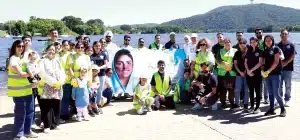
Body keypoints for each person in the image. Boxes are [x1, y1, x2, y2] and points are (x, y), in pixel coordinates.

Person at [8, 40, 38, 140]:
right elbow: (21, 74)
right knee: (20, 114)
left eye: (22, 46)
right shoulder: (13, 58)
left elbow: (31, 66)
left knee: (30, 112)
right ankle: (18, 135)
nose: (21, 48)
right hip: (18, 92)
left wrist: (34, 74)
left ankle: (27, 131)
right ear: (14, 47)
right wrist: (32, 74)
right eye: (18, 46)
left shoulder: (23, 58)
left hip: (28, 89)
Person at [38, 44, 65, 133]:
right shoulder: (42, 61)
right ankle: (46, 126)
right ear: (46, 51)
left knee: (56, 105)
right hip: (47, 86)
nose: (51, 51)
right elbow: (42, 73)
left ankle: (54, 124)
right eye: (50, 49)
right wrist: (52, 82)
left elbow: (62, 72)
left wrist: (60, 81)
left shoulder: (58, 61)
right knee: (46, 107)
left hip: (57, 86)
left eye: (53, 50)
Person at [66, 42, 92, 117]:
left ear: (84, 48)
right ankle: (76, 112)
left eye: (82, 47)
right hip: (76, 78)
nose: (80, 49)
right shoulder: (72, 56)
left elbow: (89, 69)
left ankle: (85, 111)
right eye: (78, 47)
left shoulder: (86, 57)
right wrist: (74, 78)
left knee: (85, 95)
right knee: (75, 96)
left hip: (85, 78)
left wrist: (90, 80)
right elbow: (70, 68)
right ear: (75, 48)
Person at [262, 35, 286, 117]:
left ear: (272, 41)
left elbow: (276, 62)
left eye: (269, 40)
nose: (268, 42)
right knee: (270, 93)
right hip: (267, 75)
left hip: (275, 74)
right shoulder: (265, 51)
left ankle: (283, 109)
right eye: (266, 40)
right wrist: (263, 71)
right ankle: (271, 109)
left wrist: (268, 71)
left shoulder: (276, 49)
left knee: (276, 93)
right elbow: (263, 63)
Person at [277, 29, 296, 107]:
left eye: (285, 34)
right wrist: (281, 64)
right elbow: (276, 57)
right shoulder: (277, 45)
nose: (284, 35)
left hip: (288, 69)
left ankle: (287, 99)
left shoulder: (291, 45)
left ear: (288, 35)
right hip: (279, 69)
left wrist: (286, 62)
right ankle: (280, 99)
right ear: (280, 35)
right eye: (282, 34)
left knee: (288, 85)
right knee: (279, 85)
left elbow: (293, 56)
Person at [245, 37, 263, 114]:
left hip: (257, 74)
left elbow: (260, 63)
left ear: (257, 42)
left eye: (254, 42)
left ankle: (257, 107)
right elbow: (245, 62)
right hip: (249, 74)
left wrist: (251, 70)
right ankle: (252, 106)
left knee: (257, 91)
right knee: (251, 91)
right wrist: (248, 71)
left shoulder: (260, 51)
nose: (252, 43)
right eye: (251, 42)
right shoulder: (248, 51)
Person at [217, 38, 237, 109]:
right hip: (222, 73)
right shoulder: (220, 51)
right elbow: (218, 60)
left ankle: (232, 102)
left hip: (232, 73)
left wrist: (232, 66)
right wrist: (224, 63)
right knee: (223, 89)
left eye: (228, 42)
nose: (227, 43)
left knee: (231, 89)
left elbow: (237, 60)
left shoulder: (235, 50)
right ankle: (223, 102)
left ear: (230, 43)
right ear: (223, 44)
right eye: (225, 42)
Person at [90, 41, 108, 111]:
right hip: (92, 76)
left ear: (101, 46)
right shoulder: (91, 54)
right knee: (93, 90)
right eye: (96, 46)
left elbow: (106, 65)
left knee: (100, 90)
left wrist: (98, 68)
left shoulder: (104, 54)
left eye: (99, 46)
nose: (97, 47)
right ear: (93, 46)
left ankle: (97, 105)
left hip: (101, 75)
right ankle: (92, 105)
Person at [232, 38, 249, 111]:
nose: (241, 45)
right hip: (239, 74)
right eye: (240, 43)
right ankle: (237, 104)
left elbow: (250, 62)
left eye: (243, 43)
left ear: (246, 44)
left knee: (246, 89)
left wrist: (245, 71)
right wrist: (240, 72)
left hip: (247, 73)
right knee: (237, 89)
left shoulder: (249, 52)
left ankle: (246, 104)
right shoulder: (237, 53)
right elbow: (235, 64)